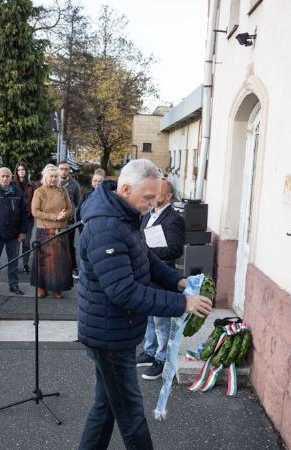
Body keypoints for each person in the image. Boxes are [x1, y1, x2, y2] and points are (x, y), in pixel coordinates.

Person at [76, 159, 212, 449]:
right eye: (148, 198)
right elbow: (124, 292)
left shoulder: (124, 216)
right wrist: (182, 303)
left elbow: (146, 258)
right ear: (125, 189)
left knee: (106, 406)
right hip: (108, 336)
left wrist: (178, 281)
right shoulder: (106, 227)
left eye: (155, 198)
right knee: (131, 413)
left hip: (115, 331)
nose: (152, 205)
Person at [136, 179, 187, 381]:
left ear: (167, 197)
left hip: (163, 274)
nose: (152, 196)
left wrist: (146, 252)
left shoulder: (174, 219)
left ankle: (162, 358)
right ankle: (150, 351)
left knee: (161, 322)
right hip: (147, 274)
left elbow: (175, 250)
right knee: (148, 316)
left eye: (157, 193)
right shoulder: (147, 215)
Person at [0, 167, 31, 297]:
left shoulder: (18, 192)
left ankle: (14, 285)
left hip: (14, 234)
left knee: (13, 261)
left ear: (11, 178)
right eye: (2, 176)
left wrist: (23, 231)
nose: (5, 178)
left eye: (7, 176)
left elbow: (25, 214)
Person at [30, 164, 74, 298]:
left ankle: (57, 288)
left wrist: (63, 216)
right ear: (45, 177)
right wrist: (54, 217)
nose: (54, 179)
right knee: (44, 261)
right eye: (51, 176)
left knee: (59, 262)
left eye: (56, 176)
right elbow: (35, 211)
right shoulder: (39, 191)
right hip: (44, 231)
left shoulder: (63, 191)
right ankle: (42, 287)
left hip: (61, 230)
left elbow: (70, 209)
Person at [12, 161, 38, 272]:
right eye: (19, 170)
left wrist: (32, 212)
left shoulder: (32, 185)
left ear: (26, 171)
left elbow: (35, 200)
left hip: (28, 217)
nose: (21, 172)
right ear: (16, 172)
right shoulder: (12, 184)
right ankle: (14, 264)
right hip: (15, 218)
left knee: (26, 242)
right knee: (16, 242)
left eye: (23, 170)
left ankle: (25, 264)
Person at [58, 161, 82, 279]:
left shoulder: (74, 184)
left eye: (66, 169)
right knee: (55, 245)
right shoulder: (53, 182)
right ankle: (57, 268)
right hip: (55, 220)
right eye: (61, 168)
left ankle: (73, 267)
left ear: (69, 170)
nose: (64, 171)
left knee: (69, 245)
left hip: (69, 220)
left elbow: (77, 202)